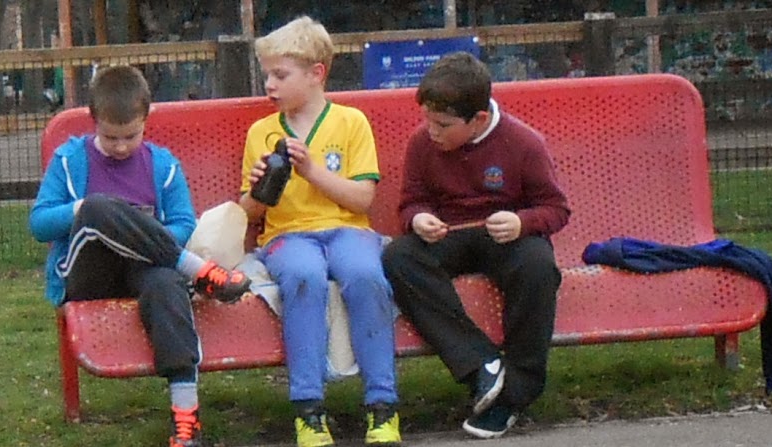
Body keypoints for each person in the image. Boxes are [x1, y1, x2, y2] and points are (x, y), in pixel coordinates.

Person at [30, 65, 253, 447]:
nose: (120, 147)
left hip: (145, 271)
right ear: (93, 121)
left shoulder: (161, 165)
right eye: (110, 137)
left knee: (167, 284)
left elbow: (183, 223)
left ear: (146, 121)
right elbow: (39, 224)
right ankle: (198, 271)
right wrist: (81, 208)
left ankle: (186, 418)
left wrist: (142, 236)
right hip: (88, 273)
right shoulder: (70, 160)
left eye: (130, 136)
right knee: (98, 208)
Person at [381, 52, 571, 439]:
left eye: (443, 125)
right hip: (450, 235)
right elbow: (411, 201)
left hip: (507, 238)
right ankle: (480, 364)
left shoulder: (524, 142)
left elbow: (555, 209)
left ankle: (516, 391)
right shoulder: (422, 143)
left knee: (537, 265)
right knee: (399, 257)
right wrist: (417, 219)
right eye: (428, 120)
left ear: (479, 119)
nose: (431, 131)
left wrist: (522, 222)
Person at [235, 16, 401, 447]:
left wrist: (310, 171)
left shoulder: (351, 123)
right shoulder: (262, 132)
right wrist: (259, 190)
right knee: (304, 277)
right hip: (287, 236)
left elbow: (362, 200)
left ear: (316, 74)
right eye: (267, 74)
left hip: (348, 229)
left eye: (280, 75)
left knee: (365, 276)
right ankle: (308, 409)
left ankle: (382, 405)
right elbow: (248, 212)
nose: (269, 84)